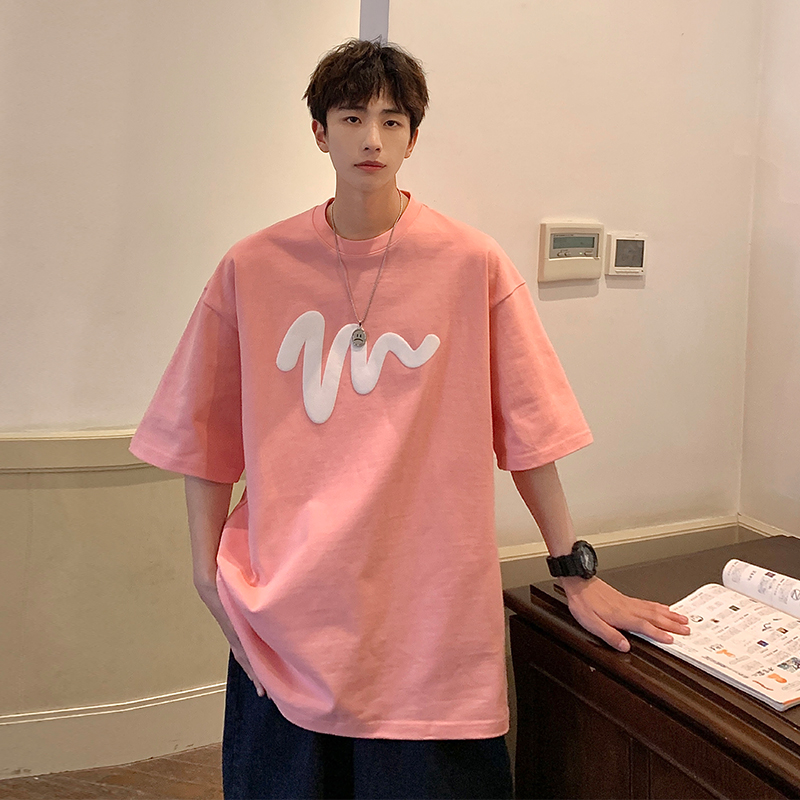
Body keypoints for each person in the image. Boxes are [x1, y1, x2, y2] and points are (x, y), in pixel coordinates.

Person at [130, 38, 689, 800]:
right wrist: (204, 572)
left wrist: (573, 572)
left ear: (413, 138)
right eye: (351, 118)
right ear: (319, 131)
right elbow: (203, 432)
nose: (372, 138)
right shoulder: (252, 268)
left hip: (429, 623)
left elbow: (530, 433)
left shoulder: (471, 264)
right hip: (287, 616)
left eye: (392, 121)